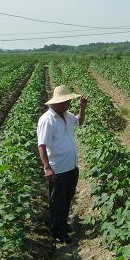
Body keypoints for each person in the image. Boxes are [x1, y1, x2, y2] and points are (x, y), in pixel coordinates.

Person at [37, 85, 87, 243]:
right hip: (58, 168)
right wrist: (47, 168)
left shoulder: (67, 115)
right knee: (58, 201)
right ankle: (58, 232)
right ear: (58, 102)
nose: (69, 103)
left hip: (72, 166)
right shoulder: (47, 120)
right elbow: (42, 146)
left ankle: (63, 224)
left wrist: (82, 108)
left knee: (67, 197)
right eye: (67, 101)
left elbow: (79, 122)